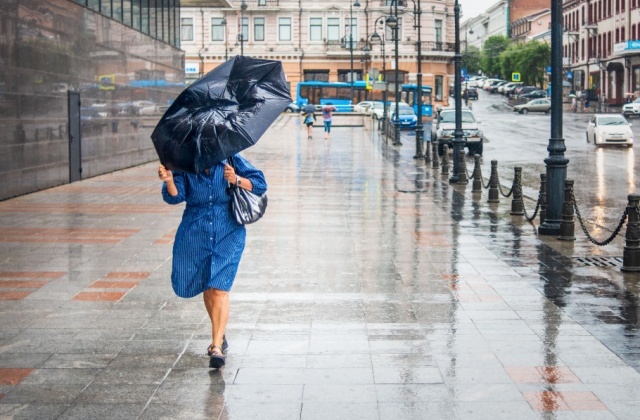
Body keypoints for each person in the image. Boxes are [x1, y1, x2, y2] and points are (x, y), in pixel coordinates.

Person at [158, 155, 267, 369]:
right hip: (195, 232)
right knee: (208, 286)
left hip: (229, 231)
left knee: (219, 288)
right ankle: (220, 331)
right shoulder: (184, 165)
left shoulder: (231, 160)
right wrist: (169, 179)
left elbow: (260, 184)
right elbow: (175, 197)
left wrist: (236, 179)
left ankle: (216, 346)